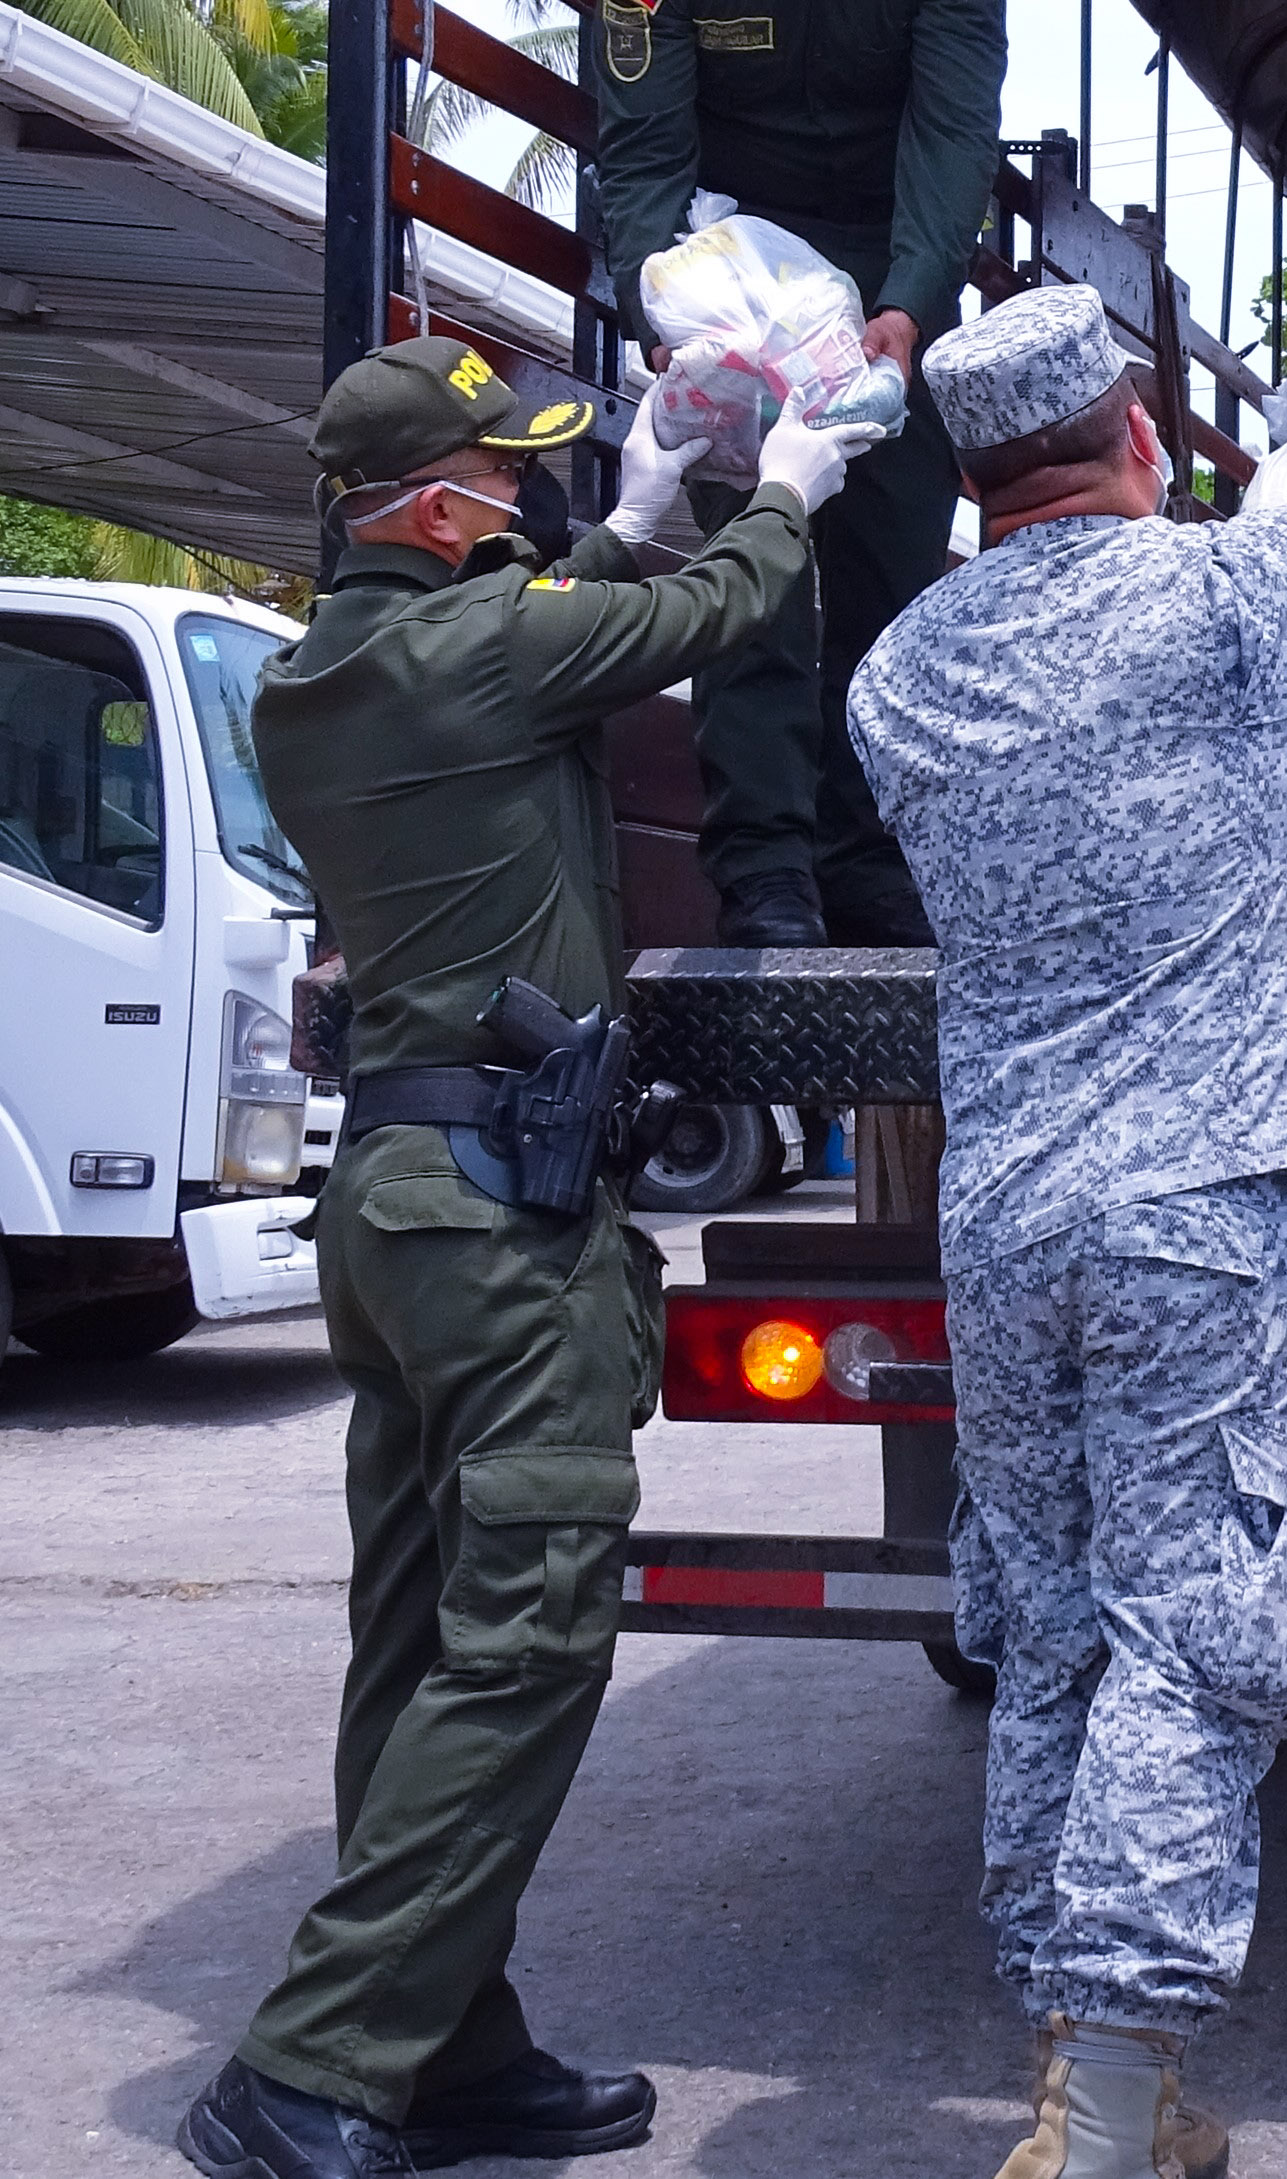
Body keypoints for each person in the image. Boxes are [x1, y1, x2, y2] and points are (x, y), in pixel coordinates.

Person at [178, 339, 873, 2179]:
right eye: (498, 471)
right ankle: (313, 2058)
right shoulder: (475, 646)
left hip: (402, 1199)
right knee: (534, 1628)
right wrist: (782, 476)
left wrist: (615, 525)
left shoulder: (333, 672)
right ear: (423, 507)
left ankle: (440, 2045)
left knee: (414, 1637)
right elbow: (720, 604)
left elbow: (553, 617)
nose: (524, 492)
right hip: (497, 1218)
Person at [845, 285, 1287, 2179]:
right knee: (1200, 1635)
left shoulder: (895, 676)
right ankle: (1101, 2123)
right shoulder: (1213, 593)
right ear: (1134, 431)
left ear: (968, 473)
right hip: (1196, 1204)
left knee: (1050, 1637)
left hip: (1006, 1210)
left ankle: (1089, 2067)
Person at [592, 0, 1009, 950]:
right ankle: (766, 872)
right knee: (754, 581)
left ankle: (868, 857)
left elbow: (952, 138)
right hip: (736, 273)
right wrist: (685, 323)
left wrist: (907, 308)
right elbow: (641, 152)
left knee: (893, 570)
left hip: (893, 269)